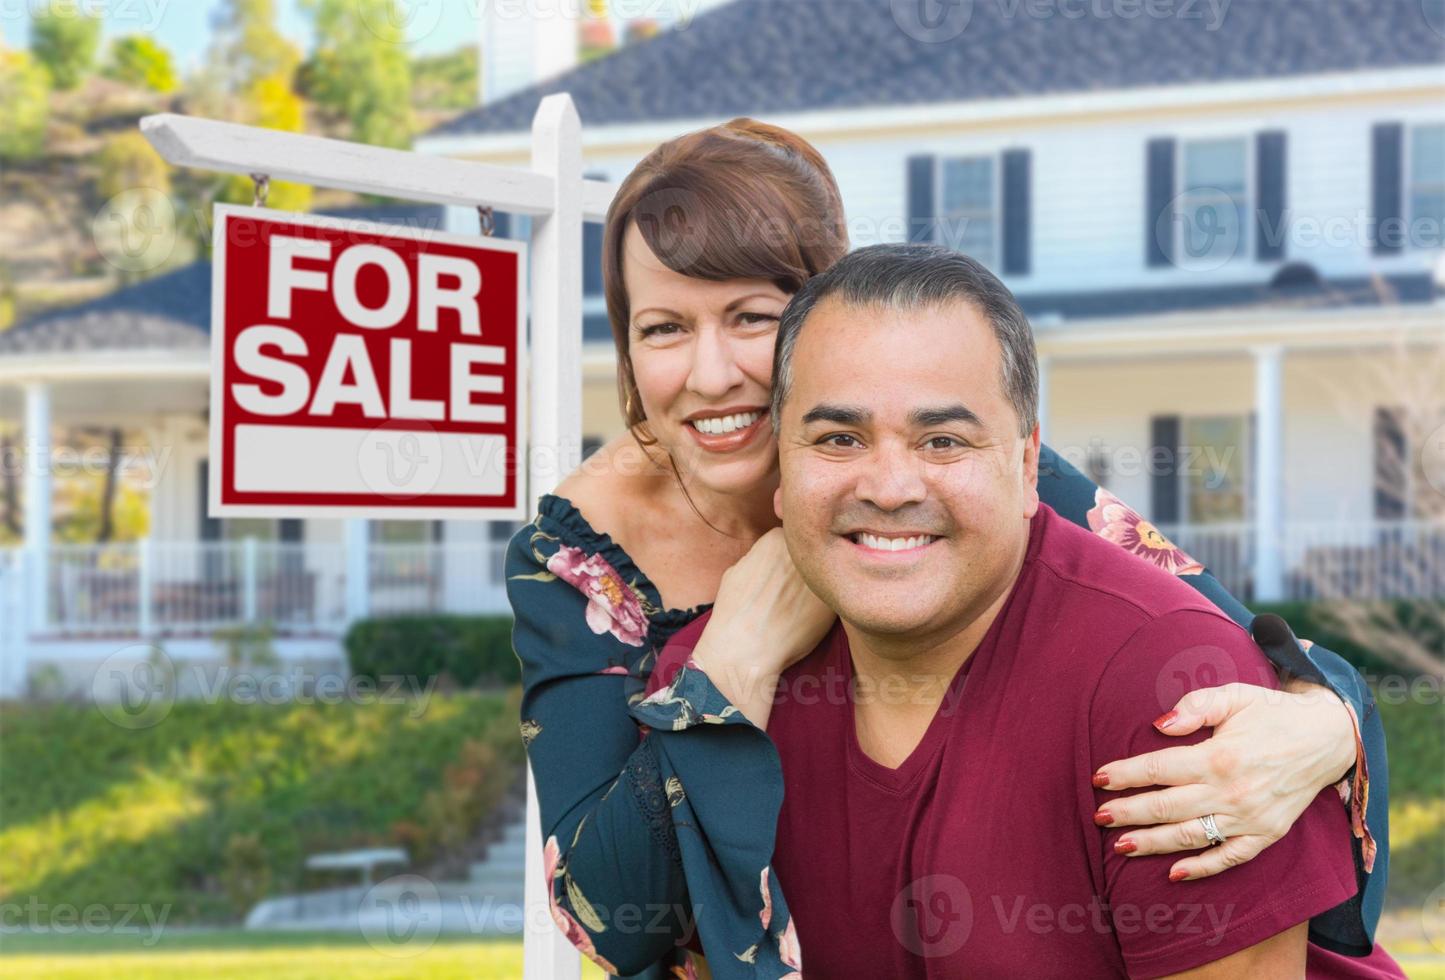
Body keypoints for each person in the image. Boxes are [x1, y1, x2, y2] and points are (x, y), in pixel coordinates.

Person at [505, 120, 1385, 979]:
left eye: (750, 317)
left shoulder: (974, 471)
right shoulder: (583, 556)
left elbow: (1208, 648)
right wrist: (737, 650)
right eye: (662, 328)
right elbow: (608, 915)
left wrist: (1326, 721)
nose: (708, 372)